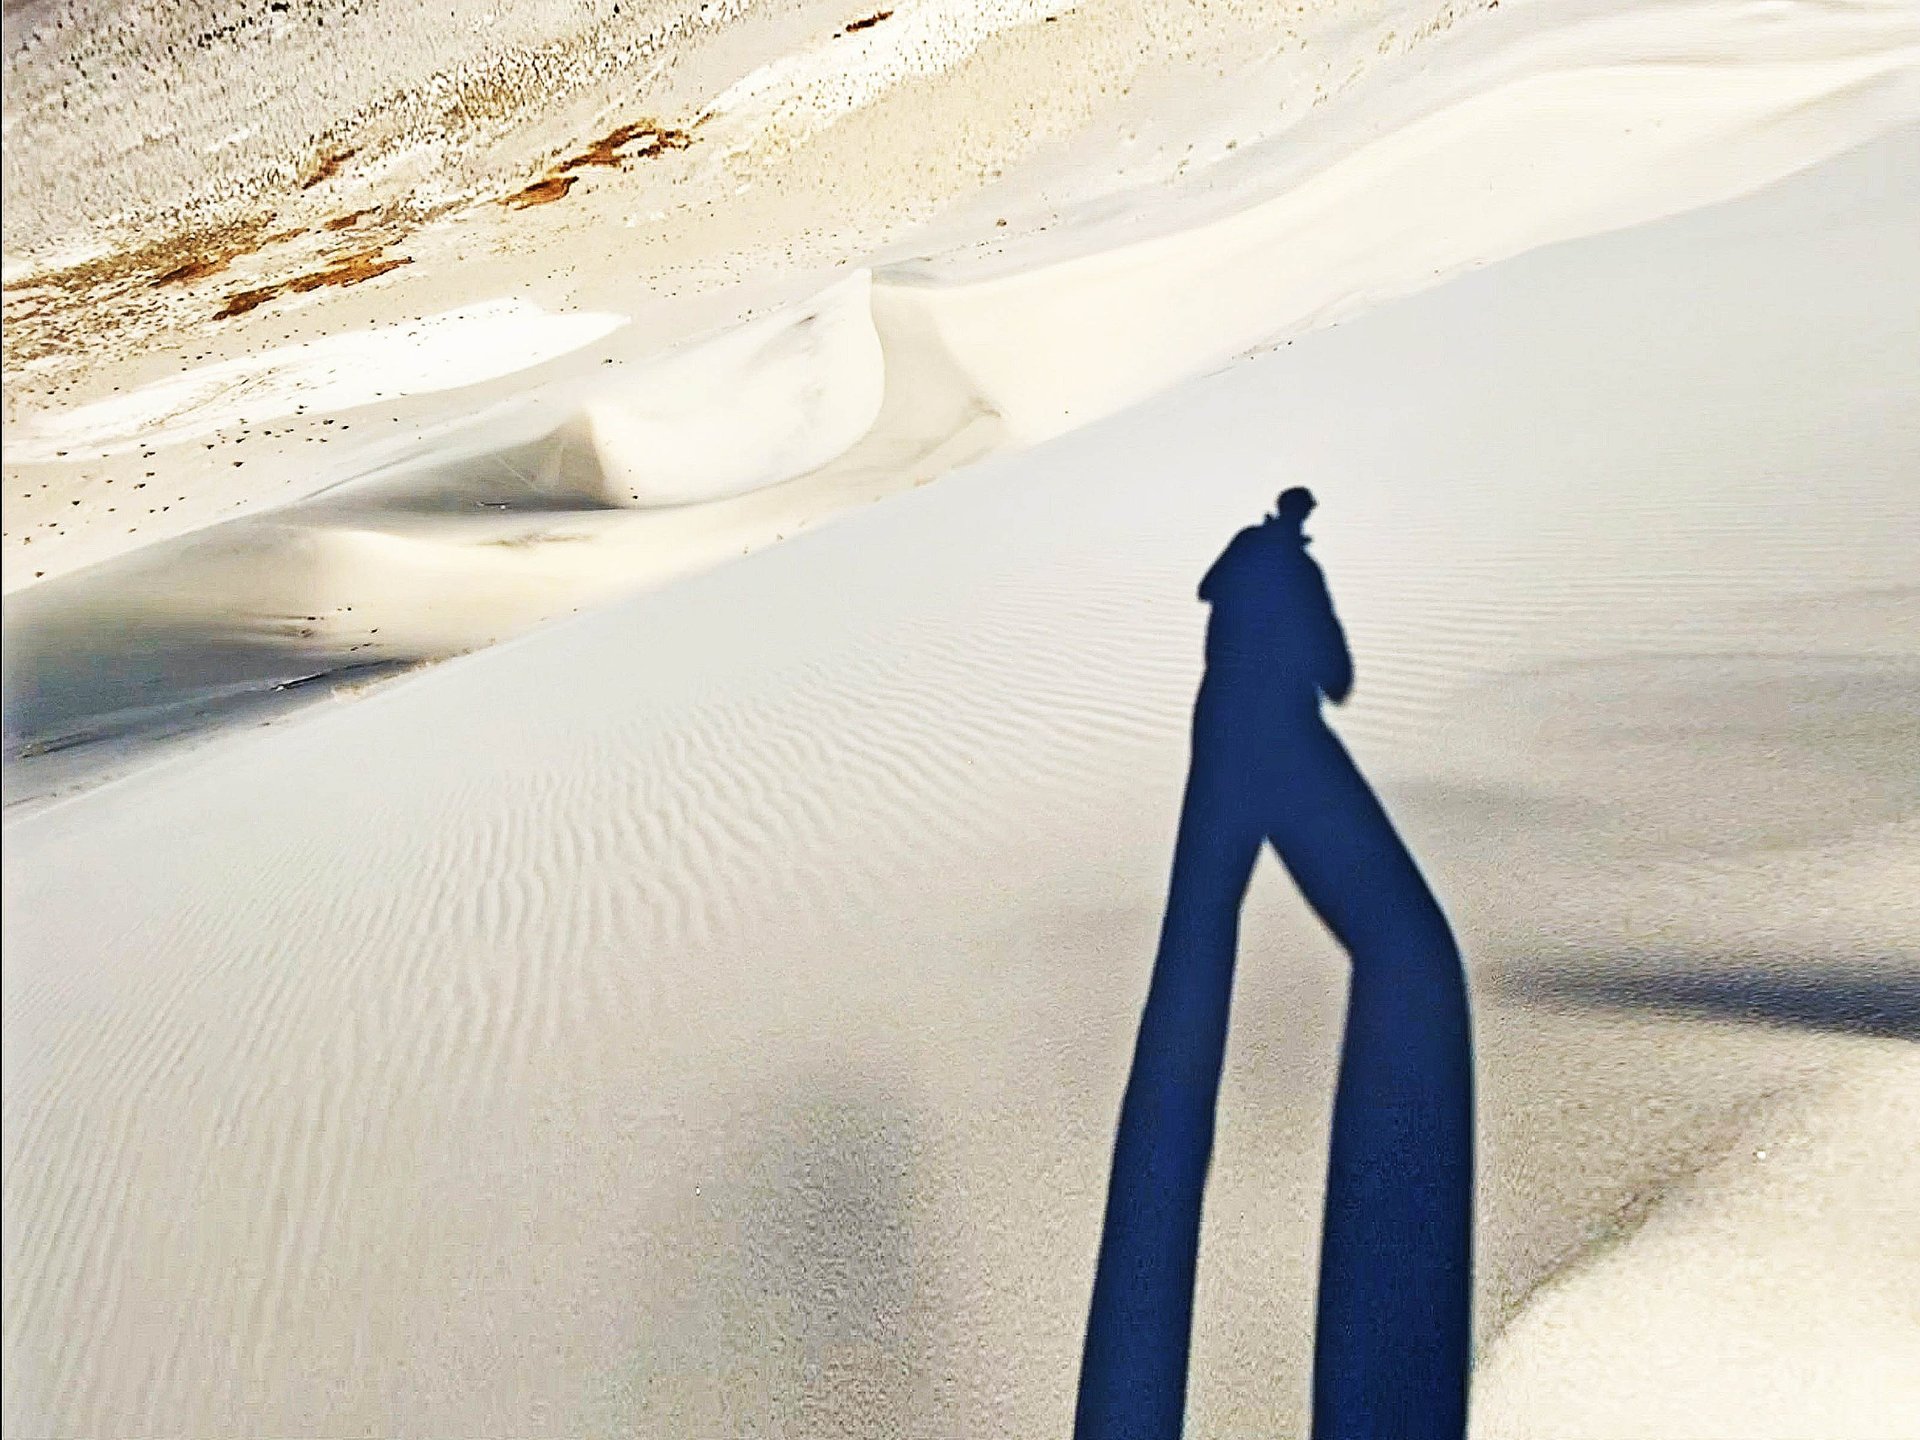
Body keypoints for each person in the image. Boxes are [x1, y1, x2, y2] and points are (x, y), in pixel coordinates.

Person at [1076, 487, 1474, 1440]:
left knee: (1201, 920)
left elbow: (1207, 589)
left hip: (1218, 734)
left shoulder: (1246, 557)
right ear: (1304, 520)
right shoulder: (1291, 567)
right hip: (1280, 739)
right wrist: (1293, 603)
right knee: (1409, 950)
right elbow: (1334, 675)